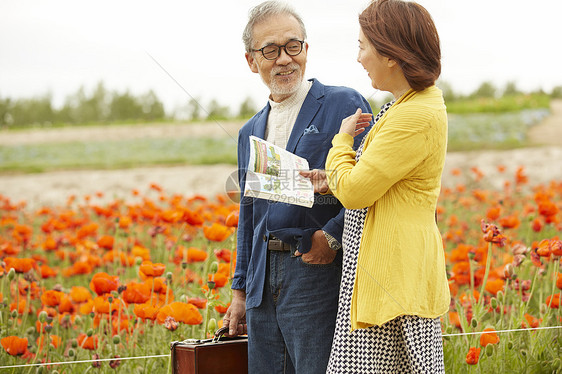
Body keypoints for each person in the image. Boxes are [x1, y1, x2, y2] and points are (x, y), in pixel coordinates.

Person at [223, 1, 372, 373]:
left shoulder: (343, 103)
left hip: (316, 269)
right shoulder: (249, 131)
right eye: (270, 50)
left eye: (293, 46)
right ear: (251, 60)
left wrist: (331, 238)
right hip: (261, 276)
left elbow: (370, 185)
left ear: (306, 48)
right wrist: (240, 292)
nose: (284, 59)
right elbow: (248, 216)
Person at [305, 0, 450, 372]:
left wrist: (340, 142)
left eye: (362, 46)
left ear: (390, 53)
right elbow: (377, 181)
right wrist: (331, 181)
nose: (359, 58)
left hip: (392, 280)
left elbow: (356, 192)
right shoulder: (407, 105)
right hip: (384, 275)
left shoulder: (414, 114)